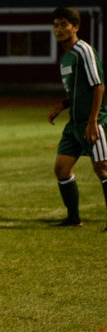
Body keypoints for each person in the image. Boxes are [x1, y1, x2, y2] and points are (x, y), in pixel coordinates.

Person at [46, 6, 107, 229]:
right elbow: (76, 91)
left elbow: (99, 86)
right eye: (56, 25)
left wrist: (93, 122)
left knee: (102, 168)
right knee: (62, 169)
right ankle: (73, 219)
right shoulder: (66, 57)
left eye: (64, 25)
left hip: (92, 122)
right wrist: (61, 106)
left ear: (76, 27)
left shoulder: (84, 51)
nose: (59, 29)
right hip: (74, 124)